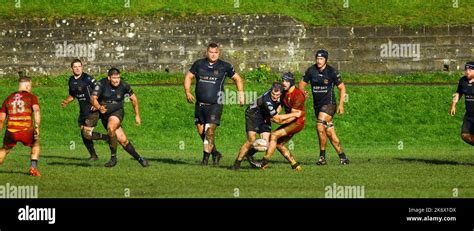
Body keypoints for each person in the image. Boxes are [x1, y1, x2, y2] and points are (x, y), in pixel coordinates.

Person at [184, 43, 244, 166]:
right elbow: (189, 77)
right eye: (211, 52)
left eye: (216, 52)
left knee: (209, 131)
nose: (213, 54)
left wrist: (241, 94)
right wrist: (187, 92)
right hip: (200, 105)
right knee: (202, 132)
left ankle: (205, 160)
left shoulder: (225, 66)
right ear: (207, 52)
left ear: (219, 53)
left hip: (215, 104)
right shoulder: (199, 64)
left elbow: (238, 79)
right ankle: (215, 153)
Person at [230, 82, 300, 170]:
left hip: (265, 116)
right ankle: (237, 163)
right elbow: (277, 118)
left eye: (277, 95)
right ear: (271, 91)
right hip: (253, 115)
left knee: (265, 143)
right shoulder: (266, 100)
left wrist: (302, 94)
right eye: (273, 94)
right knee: (252, 140)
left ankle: (249, 154)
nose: (274, 96)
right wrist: (294, 114)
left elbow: (293, 93)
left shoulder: (283, 94)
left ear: (281, 93)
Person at [298, 49, 350, 165]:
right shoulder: (311, 70)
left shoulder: (331, 72)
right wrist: (303, 92)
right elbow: (301, 85)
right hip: (317, 106)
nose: (319, 61)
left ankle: (322, 157)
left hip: (329, 104)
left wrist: (341, 105)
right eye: (317, 58)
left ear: (326, 60)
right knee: (330, 132)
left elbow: (342, 88)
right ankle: (343, 157)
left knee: (319, 125)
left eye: (321, 59)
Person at [90, 67, 148, 167]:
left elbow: (134, 99)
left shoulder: (124, 85)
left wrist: (137, 115)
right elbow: (93, 98)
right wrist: (99, 107)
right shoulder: (101, 84)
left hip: (117, 112)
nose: (117, 80)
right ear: (109, 78)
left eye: (118, 77)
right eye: (114, 78)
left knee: (111, 128)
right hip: (104, 115)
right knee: (123, 140)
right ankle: (140, 159)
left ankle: (113, 158)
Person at [61, 59, 109, 161]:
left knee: (87, 133)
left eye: (79, 66)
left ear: (82, 67)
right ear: (71, 69)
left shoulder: (87, 78)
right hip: (83, 111)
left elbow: (100, 89)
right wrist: (66, 101)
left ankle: (107, 138)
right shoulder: (71, 80)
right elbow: (72, 95)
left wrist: (97, 104)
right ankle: (93, 155)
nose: (77, 68)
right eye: (75, 67)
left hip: (92, 110)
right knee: (84, 134)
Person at [258, 72, 304, 171]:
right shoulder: (284, 92)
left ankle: (264, 162)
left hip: (297, 123)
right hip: (289, 122)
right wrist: (274, 115)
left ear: (291, 82)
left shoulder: (298, 95)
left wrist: (280, 121)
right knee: (278, 144)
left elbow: (294, 116)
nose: (284, 83)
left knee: (274, 135)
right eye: (283, 80)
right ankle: (295, 165)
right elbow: (280, 107)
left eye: (286, 81)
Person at [0, 73, 41, 176]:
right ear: (27, 86)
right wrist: (37, 126)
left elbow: (1, 119)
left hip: (11, 131)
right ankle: (33, 168)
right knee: (35, 144)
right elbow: (36, 110)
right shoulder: (31, 97)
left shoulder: (8, 98)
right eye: (30, 86)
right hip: (26, 130)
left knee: (5, 149)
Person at [450, 62, 474, 146]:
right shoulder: (463, 81)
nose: (467, 71)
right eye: (466, 69)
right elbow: (458, 93)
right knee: (464, 135)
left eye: (470, 70)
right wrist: (453, 105)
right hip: (469, 116)